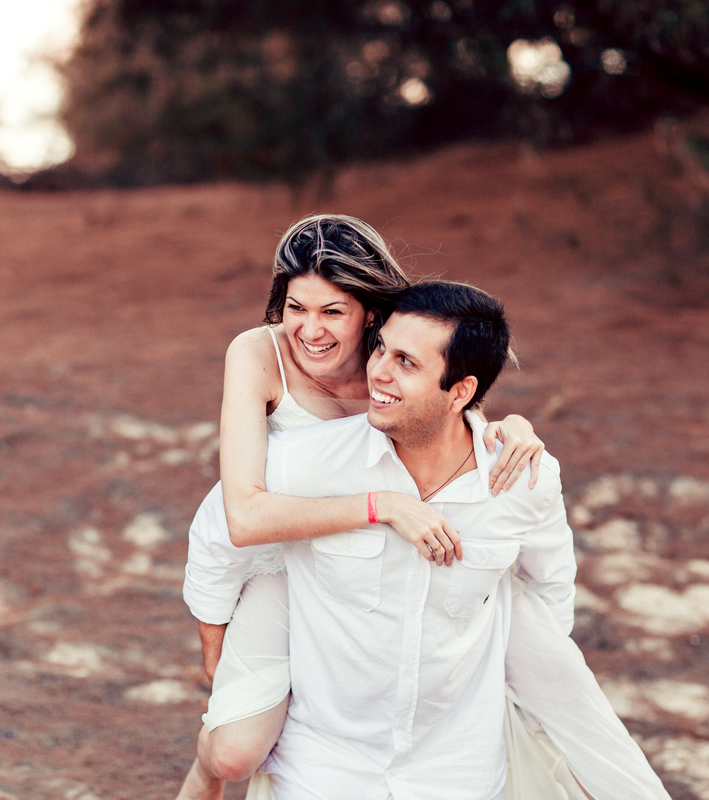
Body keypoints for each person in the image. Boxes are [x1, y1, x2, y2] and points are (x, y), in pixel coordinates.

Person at [186, 281, 671, 799]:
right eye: (380, 349)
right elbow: (223, 528)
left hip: (458, 770)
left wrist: (532, 700)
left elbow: (549, 594)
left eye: (406, 362)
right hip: (325, 766)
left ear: (460, 391)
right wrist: (216, 653)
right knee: (231, 753)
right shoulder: (308, 460)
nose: (377, 371)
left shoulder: (523, 481)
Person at [176, 215, 547, 800]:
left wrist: (512, 424)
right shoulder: (258, 354)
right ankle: (204, 772)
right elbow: (240, 516)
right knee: (233, 752)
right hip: (275, 556)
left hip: (362, 563)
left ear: (370, 313)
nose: (310, 330)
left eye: (332, 311)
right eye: (295, 307)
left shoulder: (390, 356)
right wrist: (382, 506)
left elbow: (447, 400)